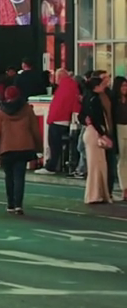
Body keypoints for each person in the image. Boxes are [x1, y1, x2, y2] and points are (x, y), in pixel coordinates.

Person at [0, 84, 42, 215]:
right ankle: (18, 205)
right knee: (19, 177)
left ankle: (10, 204)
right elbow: (35, 130)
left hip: (6, 149)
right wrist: (39, 148)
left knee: (9, 177)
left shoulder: (1, 112)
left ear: (6, 97)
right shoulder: (27, 109)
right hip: (24, 148)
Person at [82, 72, 115, 205]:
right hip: (95, 133)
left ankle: (96, 193)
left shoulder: (87, 97)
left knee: (96, 165)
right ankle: (96, 194)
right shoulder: (95, 99)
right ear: (96, 86)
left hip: (90, 132)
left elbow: (82, 115)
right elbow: (97, 119)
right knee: (98, 166)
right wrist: (103, 134)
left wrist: (85, 121)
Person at [44, 68, 82, 175]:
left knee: (54, 145)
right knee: (57, 145)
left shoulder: (64, 87)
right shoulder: (72, 86)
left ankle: (51, 166)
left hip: (58, 120)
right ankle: (55, 165)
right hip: (65, 120)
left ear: (59, 77)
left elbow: (58, 106)